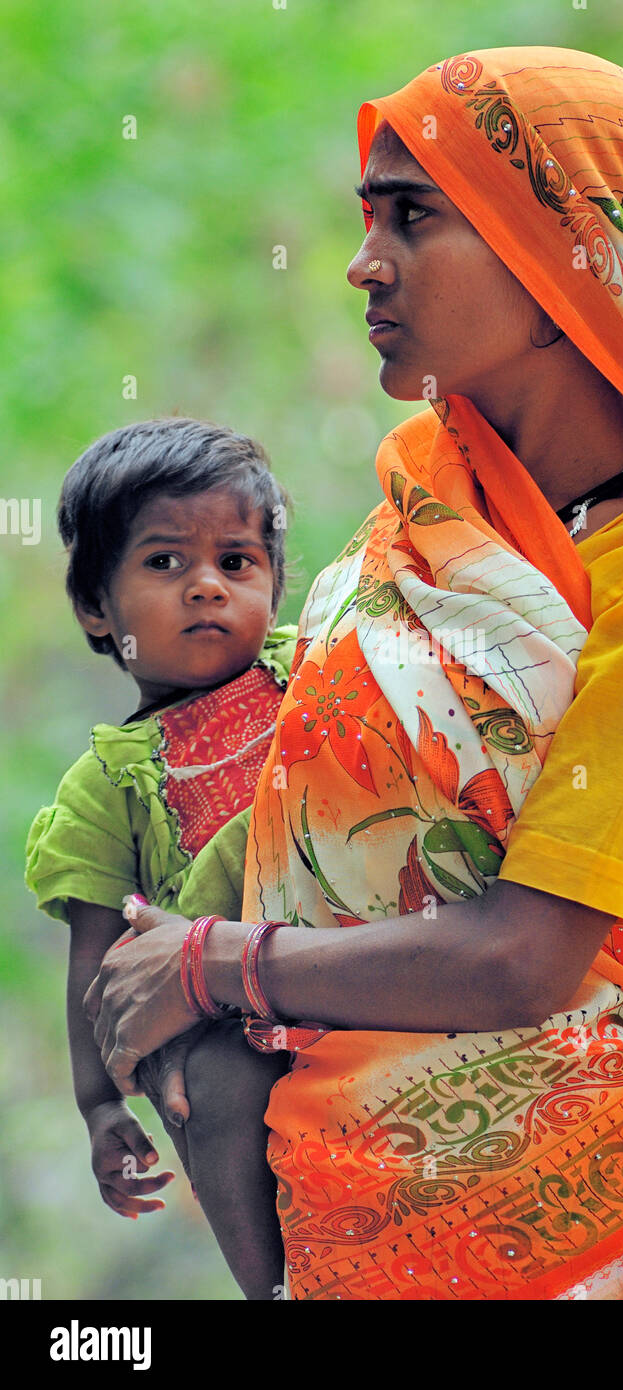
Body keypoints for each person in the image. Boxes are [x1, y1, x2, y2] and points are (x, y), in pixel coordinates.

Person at [85, 48, 623, 1300]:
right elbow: (304, 807)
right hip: (330, 1205)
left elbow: (525, 953)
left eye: (413, 212)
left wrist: (214, 963)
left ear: (557, 251)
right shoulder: (425, 503)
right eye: (362, 216)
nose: (362, 262)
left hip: (585, 1229)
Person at [25, 417, 306, 1299]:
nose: (205, 588)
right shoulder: (104, 783)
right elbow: (94, 967)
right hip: (227, 1018)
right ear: (94, 606)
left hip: (358, 961)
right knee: (215, 1088)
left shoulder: (321, 675)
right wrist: (100, 1106)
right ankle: (279, 1292)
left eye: (236, 561)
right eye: (163, 563)